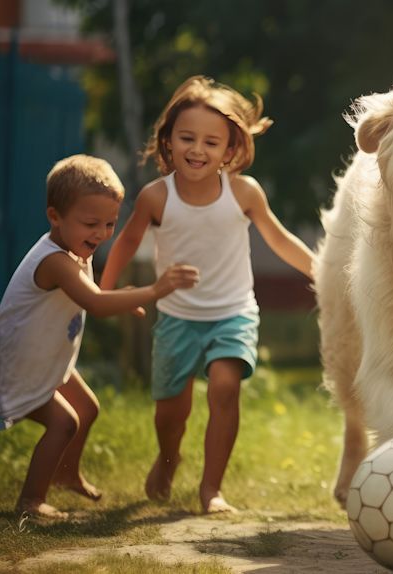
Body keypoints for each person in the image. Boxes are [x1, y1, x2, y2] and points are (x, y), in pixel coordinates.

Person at [99, 76, 314, 514]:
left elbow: (279, 239)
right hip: (177, 318)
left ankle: (211, 489)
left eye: (210, 142)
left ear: (229, 149)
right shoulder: (156, 196)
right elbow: (125, 240)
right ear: (168, 140)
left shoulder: (243, 192)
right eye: (187, 138)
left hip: (233, 313)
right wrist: (104, 289)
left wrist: (324, 273)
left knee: (224, 386)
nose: (198, 149)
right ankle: (167, 458)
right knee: (170, 414)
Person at [0, 155, 199, 519]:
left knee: (88, 408)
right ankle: (30, 500)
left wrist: (124, 302)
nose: (102, 233)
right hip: (19, 365)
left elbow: (97, 297)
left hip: (48, 357)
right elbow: (95, 301)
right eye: (91, 223)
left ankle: (65, 474)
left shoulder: (76, 249)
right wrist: (154, 291)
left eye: (110, 223)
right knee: (65, 422)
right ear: (55, 216)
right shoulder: (55, 260)